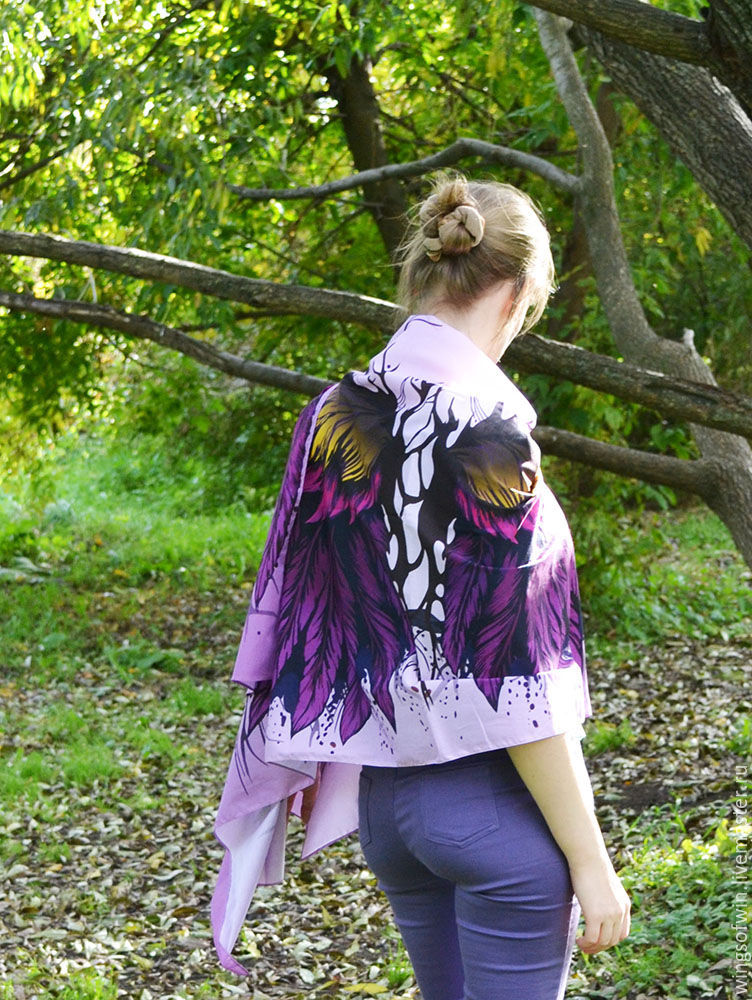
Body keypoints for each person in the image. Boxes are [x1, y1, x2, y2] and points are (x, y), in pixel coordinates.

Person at [211, 173, 630, 1000]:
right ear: (518, 294)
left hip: (388, 807)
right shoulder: (489, 432)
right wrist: (592, 862)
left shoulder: (332, 414)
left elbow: (294, 612)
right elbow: (514, 678)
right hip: (490, 811)